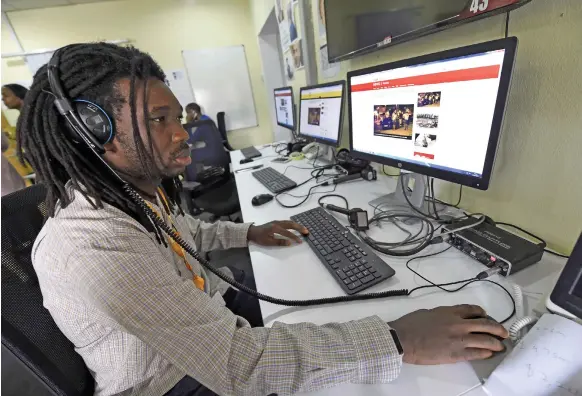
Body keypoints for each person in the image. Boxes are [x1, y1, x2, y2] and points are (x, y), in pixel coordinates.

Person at [19, 43, 508, 396]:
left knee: (321, 301)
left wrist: (250, 230)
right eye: (158, 120)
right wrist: (398, 340)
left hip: (202, 323)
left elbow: (188, 235)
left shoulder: (127, 196)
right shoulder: (92, 248)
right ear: (93, 131)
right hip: (169, 380)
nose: (183, 134)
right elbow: (239, 369)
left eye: (177, 118)